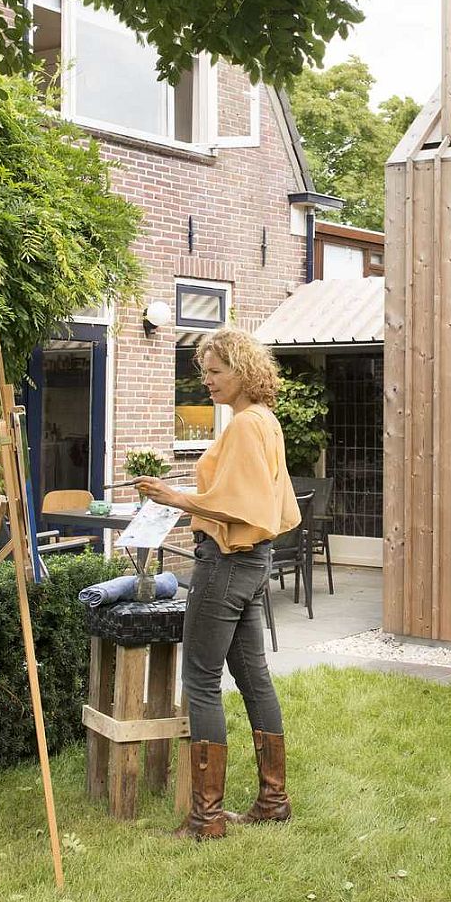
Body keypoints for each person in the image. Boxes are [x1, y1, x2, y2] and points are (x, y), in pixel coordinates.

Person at [135, 327, 300, 840]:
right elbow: (247, 495)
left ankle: (206, 818)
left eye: (215, 372)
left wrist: (174, 497)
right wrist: (179, 491)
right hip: (251, 561)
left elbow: (240, 503)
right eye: (203, 372)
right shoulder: (264, 421)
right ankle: (272, 800)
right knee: (253, 676)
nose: (206, 381)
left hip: (226, 563)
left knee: (201, 680)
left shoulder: (247, 425)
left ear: (243, 371)